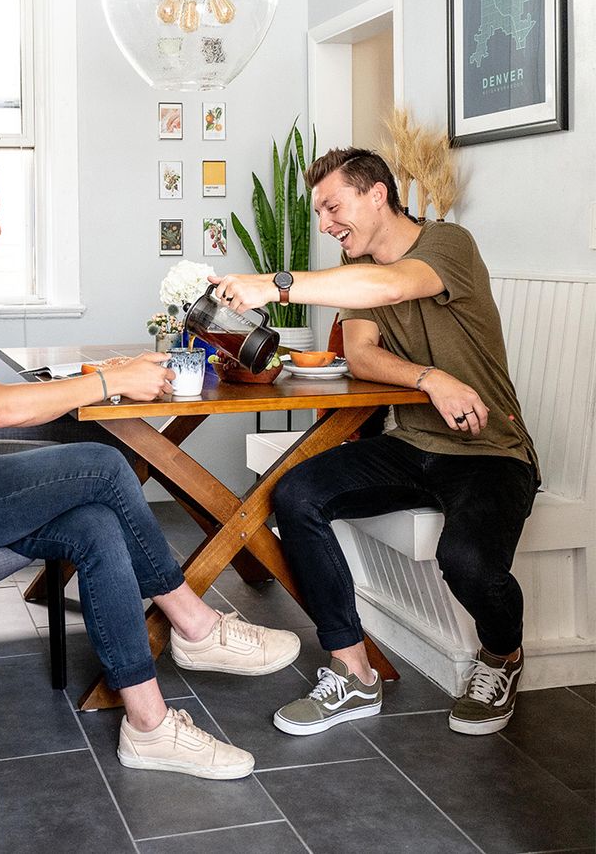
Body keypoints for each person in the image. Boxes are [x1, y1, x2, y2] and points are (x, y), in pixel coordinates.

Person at [0, 152, 301, 780]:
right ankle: (194, 623)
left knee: (95, 527)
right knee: (104, 465)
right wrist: (112, 378)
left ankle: (149, 726)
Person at [211, 146, 538, 738]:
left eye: (333, 205)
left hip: (489, 448)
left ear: (377, 194)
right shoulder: (350, 273)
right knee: (297, 494)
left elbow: (390, 289)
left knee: (465, 561)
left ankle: (503, 657)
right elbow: (361, 351)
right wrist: (429, 377)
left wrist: (274, 285)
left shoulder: (449, 244)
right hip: (411, 442)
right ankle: (352, 669)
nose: (326, 223)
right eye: (318, 212)